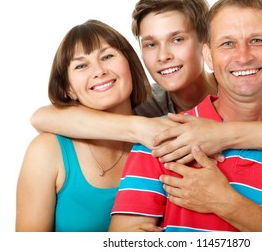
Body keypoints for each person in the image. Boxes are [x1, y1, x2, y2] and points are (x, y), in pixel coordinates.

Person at [30, 0, 262, 164]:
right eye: (151, 44)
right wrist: (141, 128)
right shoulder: (151, 106)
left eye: (177, 39)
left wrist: (222, 133)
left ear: (205, 46)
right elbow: (45, 117)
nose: (164, 55)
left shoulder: (245, 85)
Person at [109, 0, 262, 232]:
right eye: (228, 43)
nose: (243, 57)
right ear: (208, 55)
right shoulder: (161, 136)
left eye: (256, 40)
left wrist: (226, 203)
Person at [16, 20, 163, 232]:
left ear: (130, 64)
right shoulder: (47, 152)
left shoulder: (160, 138)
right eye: (81, 65)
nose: (99, 71)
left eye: (107, 56)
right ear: (69, 88)